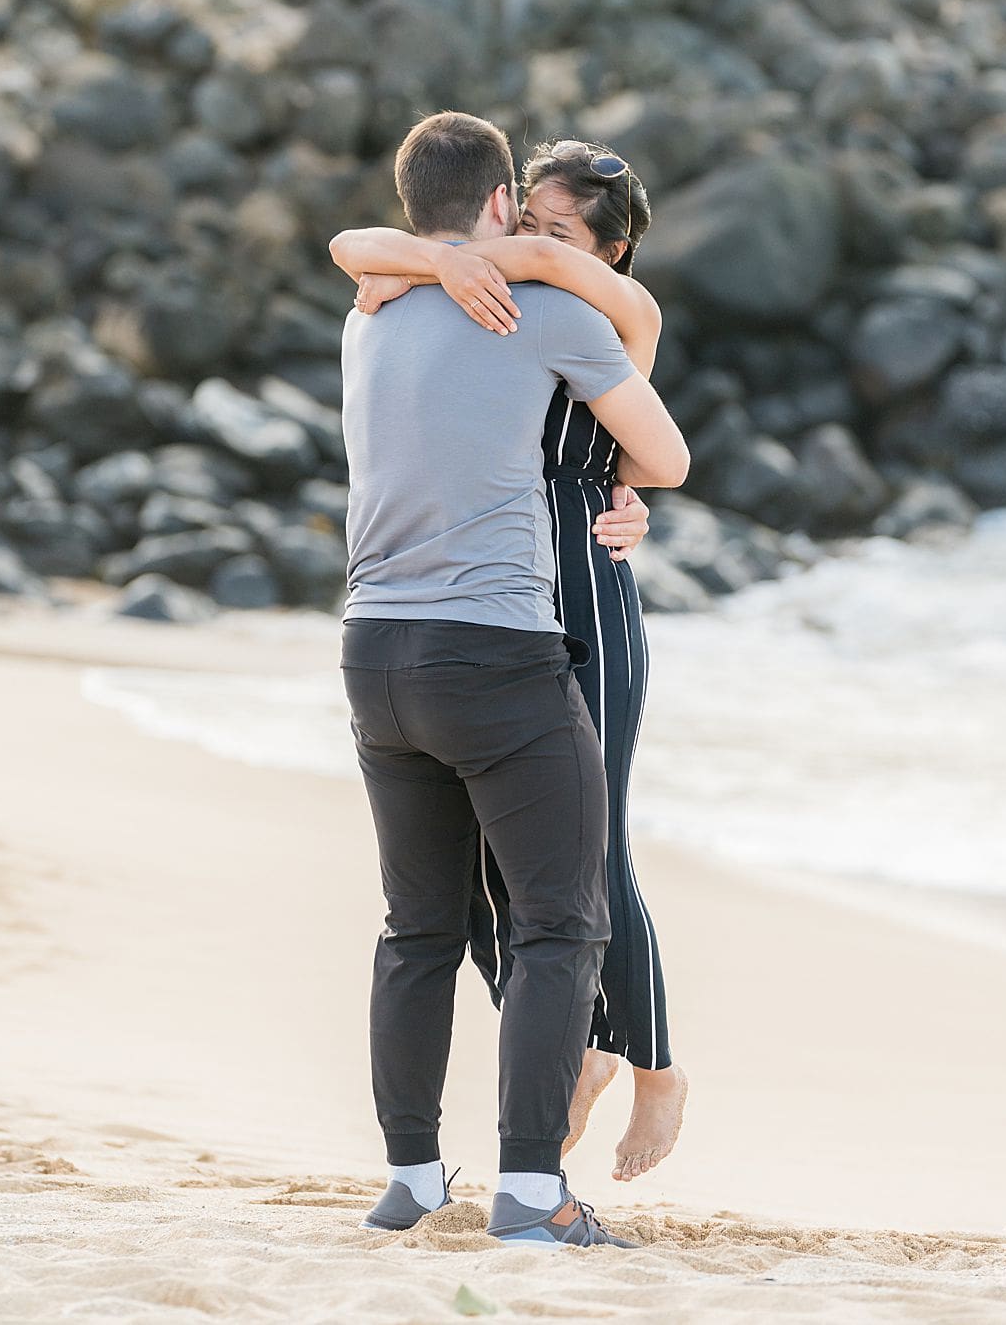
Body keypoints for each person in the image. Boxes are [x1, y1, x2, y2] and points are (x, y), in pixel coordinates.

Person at [334, 112, 689, 1248]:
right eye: (524, 219)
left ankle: (411, 1178)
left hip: (373, 651)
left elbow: (357, 249)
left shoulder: (372, 313)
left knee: (418, 928)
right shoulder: (543, 313)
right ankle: (532, 1191)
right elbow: (670, 454)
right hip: (493, 647)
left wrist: (442, 256)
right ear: (499, 206)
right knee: (557, 919)